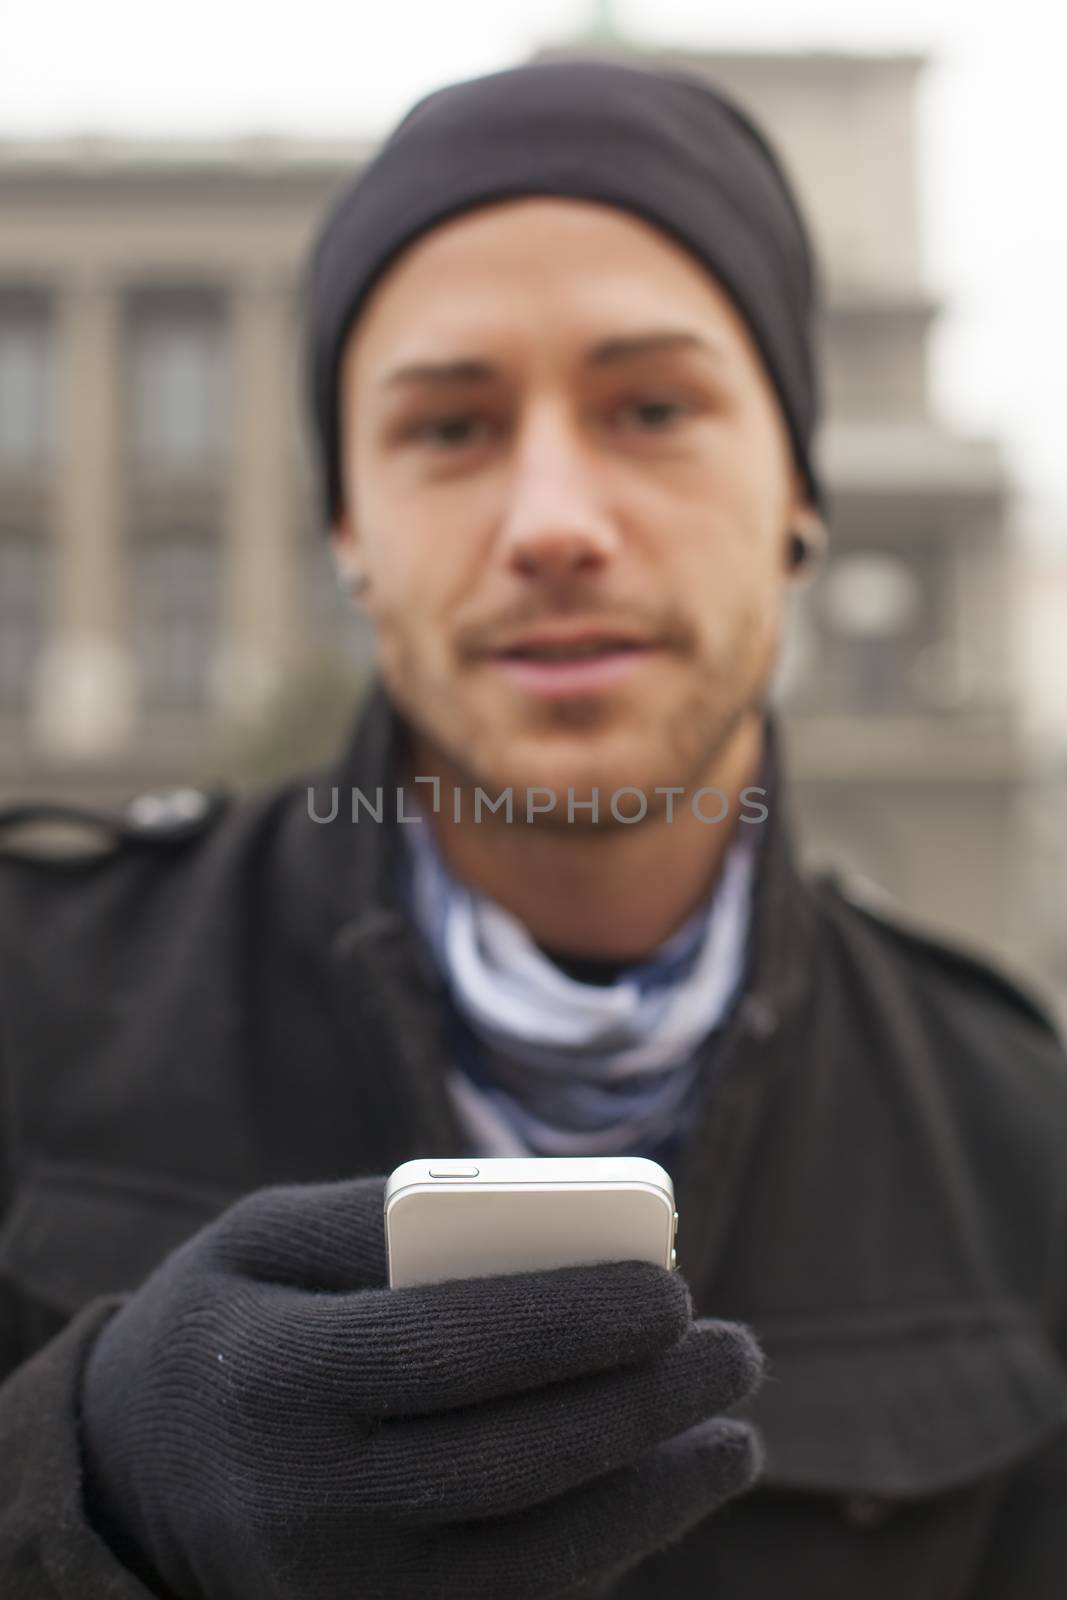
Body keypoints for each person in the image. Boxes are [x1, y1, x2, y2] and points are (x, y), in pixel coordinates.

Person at [1, 56, 1065, 1600]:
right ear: (348, 533)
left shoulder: (1014, 1141)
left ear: (799, 496)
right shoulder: (31, 1008)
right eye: (451, 426)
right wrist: (80, 1494)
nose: (555, 519)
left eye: (652, 406)